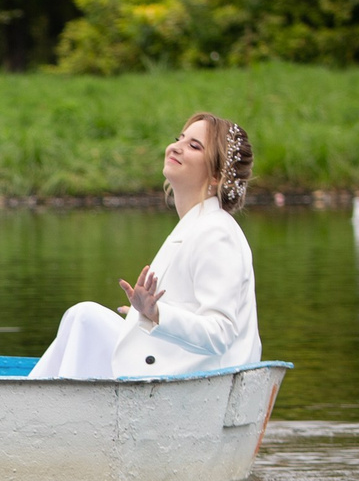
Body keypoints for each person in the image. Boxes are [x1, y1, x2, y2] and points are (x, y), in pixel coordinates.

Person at [30, 112, 259, 380]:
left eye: (194, 146)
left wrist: (155, 312)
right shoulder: (199, 224)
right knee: (83, 319)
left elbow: (220, 332)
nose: (176, 147)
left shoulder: (216, 231)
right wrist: (141, 317)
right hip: (180, 367)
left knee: (84, 317)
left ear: (217, 176)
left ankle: (34, 408)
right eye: (179, 138)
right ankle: (36, 404)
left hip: (201, 381)